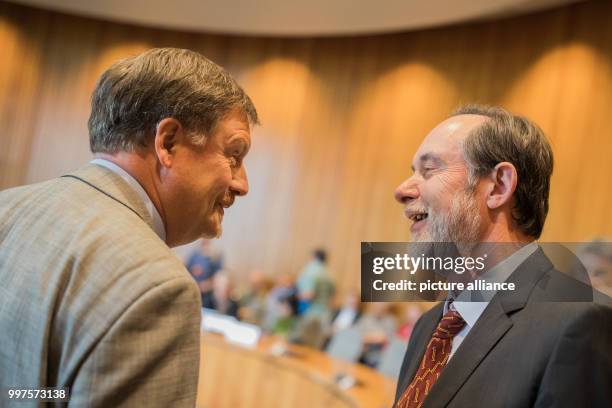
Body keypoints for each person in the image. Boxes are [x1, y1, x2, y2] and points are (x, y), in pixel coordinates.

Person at [0, 48, 258, 407]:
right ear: (168, 142)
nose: (242, 184)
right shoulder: (158, 287)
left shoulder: (6, 207)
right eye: (234, 155)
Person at [393, 105, 611, 407]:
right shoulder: (429, 325)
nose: (402, 190)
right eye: (411, 172)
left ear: (498, 186)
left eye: (429, 170)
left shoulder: (582, 323)